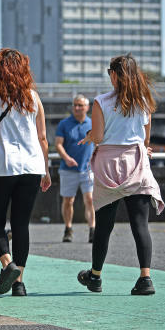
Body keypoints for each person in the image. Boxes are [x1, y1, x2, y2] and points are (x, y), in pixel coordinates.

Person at [77, 54, 164, 296]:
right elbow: (145, 139)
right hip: (136, 163)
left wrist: (89, 137)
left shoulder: (101, 101)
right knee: (140, 224)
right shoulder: (144, 102)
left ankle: (95, 276)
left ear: (114, 75)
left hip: (108, 165)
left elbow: (97, 136)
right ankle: (145, 278)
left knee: (104, 225)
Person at [0, 49, 51, 297]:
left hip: (3, 167)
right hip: (32, 167)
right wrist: (46, 171)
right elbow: (43, 138)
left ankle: (8, 264)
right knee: (21, 224)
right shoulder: (34, 98)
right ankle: (19, 283)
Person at [55, 95, 96, 243]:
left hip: (88, 169)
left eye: (80, 105)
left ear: (87, 107)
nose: (77, 108)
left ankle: (92, 229)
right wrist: (66, 158)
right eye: (75, 105)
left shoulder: (93, 123)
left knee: (90, 199)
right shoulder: (64, 124)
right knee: (68, 201)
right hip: (68, 169)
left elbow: (99, 143)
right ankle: (68, 228)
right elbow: (58, 144)